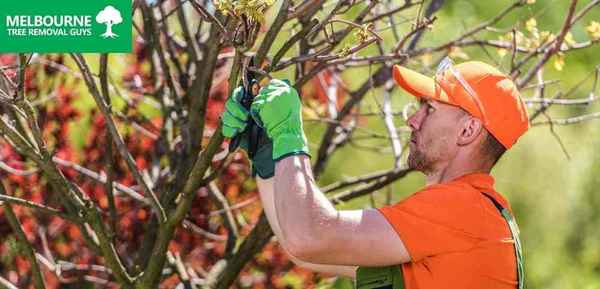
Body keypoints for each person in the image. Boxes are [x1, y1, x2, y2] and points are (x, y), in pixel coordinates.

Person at [221, 58, 529, 289]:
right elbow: (307, 249)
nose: (414, 120)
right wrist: (268, 151)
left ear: (468, 129)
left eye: (430, 109)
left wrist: (289, 137)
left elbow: (309, 237)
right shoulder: (467, 219)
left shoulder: (465, 209)